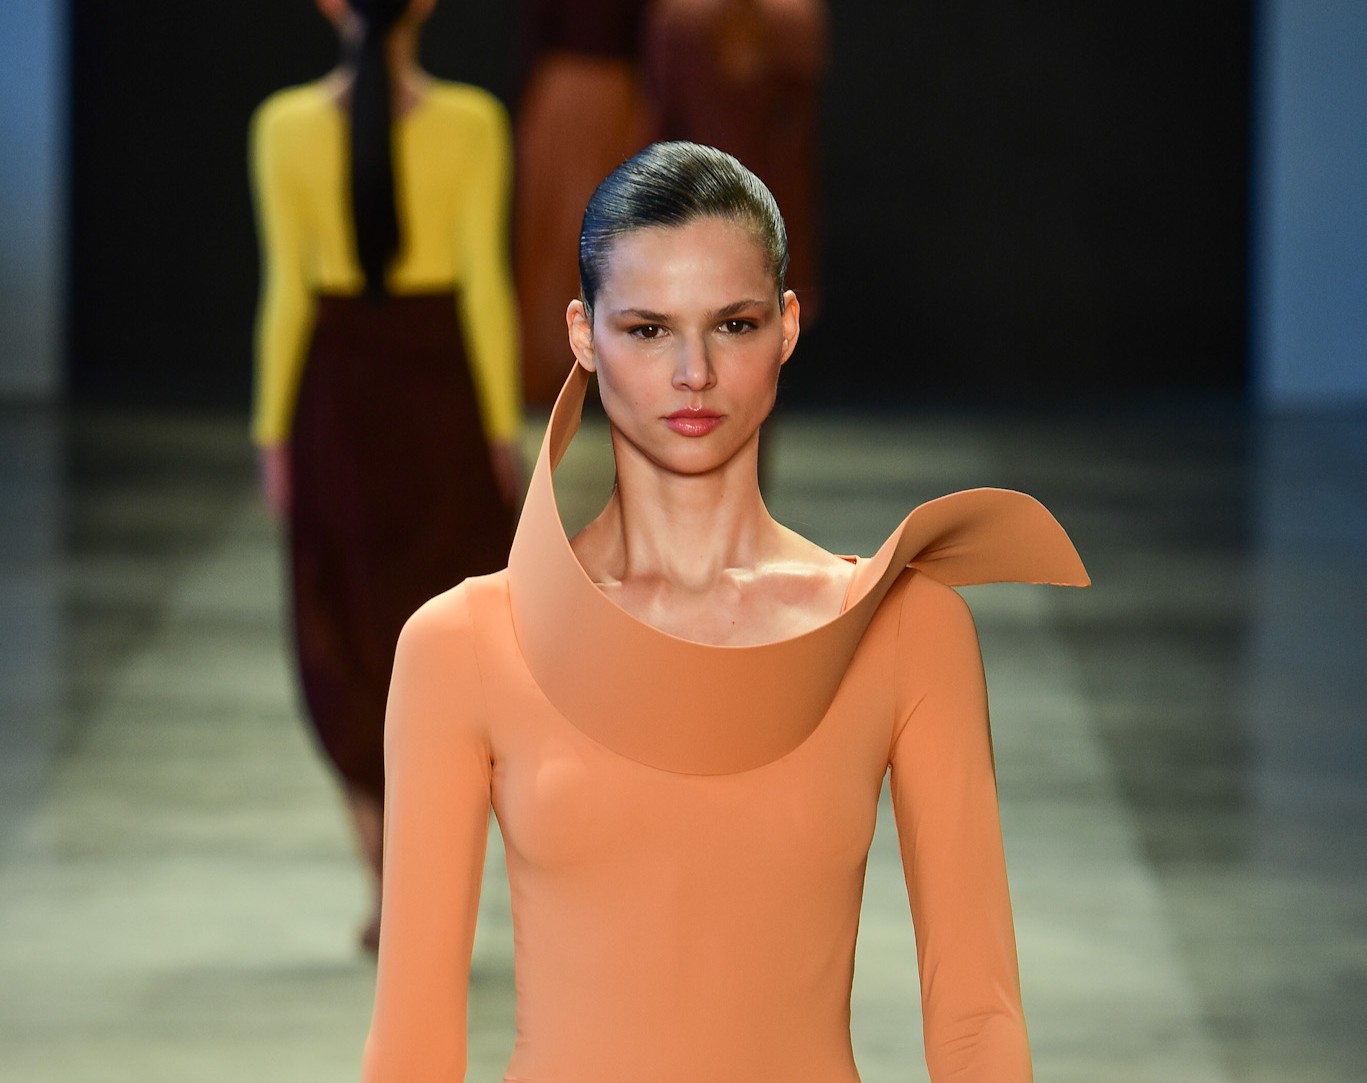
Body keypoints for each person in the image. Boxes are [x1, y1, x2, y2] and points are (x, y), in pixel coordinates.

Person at [362, 142, 1088, 1080]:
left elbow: (976, 1018)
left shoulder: (904, 629)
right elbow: (413, 1043)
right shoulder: (463, 644)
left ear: (786, 325)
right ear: (583, 334)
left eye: (732, 324)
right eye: (647, 329)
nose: (693, 371)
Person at [248, 0, 522, 952]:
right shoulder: (473, 122)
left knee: (347, 639)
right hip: (440, 397)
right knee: (449, 648)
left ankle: (388, 889)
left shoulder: (283, 126)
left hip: (335, 401)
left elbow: (286, 291)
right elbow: (484, 283)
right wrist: (500, 429)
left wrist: (273, 434)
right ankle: (427, 888)